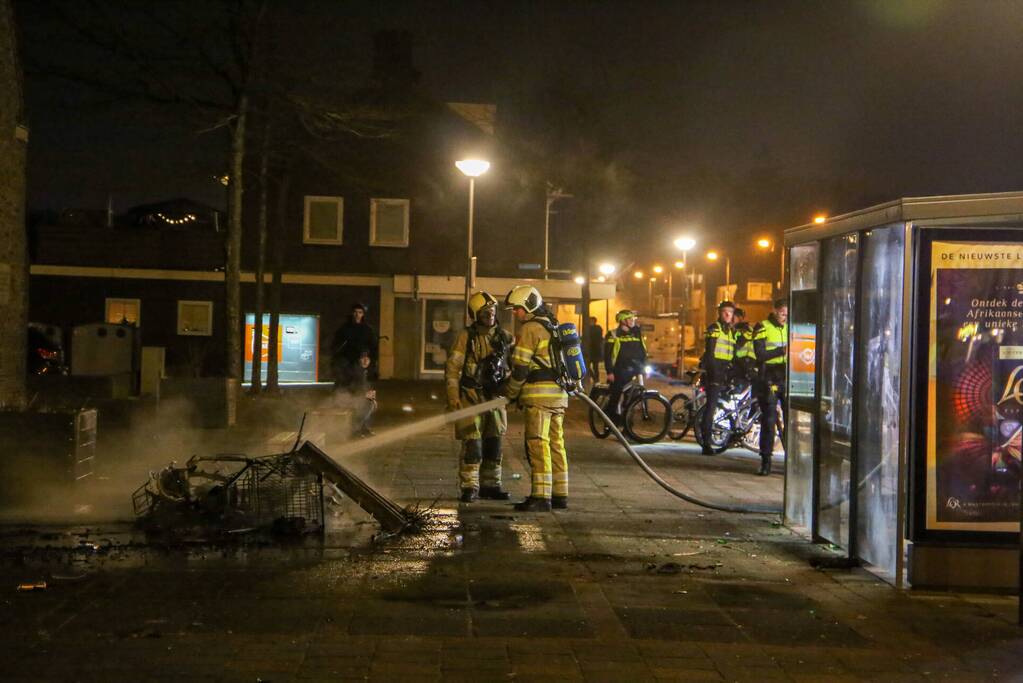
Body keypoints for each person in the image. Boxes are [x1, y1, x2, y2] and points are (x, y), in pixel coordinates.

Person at [503, 285, 568, 512]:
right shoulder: (553, 325)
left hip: (539, 397)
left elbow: (520, 368)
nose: (515, 313)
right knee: (556, 444)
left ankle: (540, 497)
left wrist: (510, 394)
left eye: (517, 308)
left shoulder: (531, 328)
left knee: (538, 444)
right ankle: (560, 493)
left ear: (528, 306)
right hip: (559, 396)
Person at [445, 291, 514, 503]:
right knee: (472, 443)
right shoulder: (466, 337)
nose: (490, 315)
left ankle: (491, 485)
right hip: (470, 396)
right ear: (476, 315)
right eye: (485, 312)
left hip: (494, 398)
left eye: (492, 311)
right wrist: (453, 397)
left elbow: (515, 368)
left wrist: (511, 392)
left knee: (494, 442)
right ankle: (470, 486)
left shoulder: (506, 337)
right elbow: (453, 368)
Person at [753, 298, 788, 476]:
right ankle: (765, 460)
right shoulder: (762, 327)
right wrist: (780, 351)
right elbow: (759, 354)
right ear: (774, 310)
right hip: (768, 377)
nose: (785, 317)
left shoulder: (791, 327)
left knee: (793, 421)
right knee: (769, 421)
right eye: (782, 313)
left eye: (787, 314)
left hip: (787, 377)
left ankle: (792, 460)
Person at [700, 300, 736, 455]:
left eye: (730, 312)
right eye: (725, 311)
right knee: (711, 407)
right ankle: (706, 443)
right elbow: (710, 353)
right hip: (715, 373)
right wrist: (713, 373)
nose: (728, 314)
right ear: (720, 313)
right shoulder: (715, 328)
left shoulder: (731, 331)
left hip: (725, 373)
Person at [603, 309, 647, 424]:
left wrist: (644, 366)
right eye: (630, 319)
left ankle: (627, 420)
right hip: (619, 370)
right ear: (623, 321)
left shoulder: (636, 333)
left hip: (634, 369)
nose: (633, 321)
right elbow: (607, 355)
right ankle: (610, 419)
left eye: (633, 319)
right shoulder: (613, 334)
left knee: (634, 395)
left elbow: (642, 351)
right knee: (616, 393)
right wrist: (610, 372)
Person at [331, 303, 379, 384]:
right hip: (347, 361)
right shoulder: (344, 328)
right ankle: (341, 397)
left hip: (363, 360)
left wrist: (370, 359)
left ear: (363, 314)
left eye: (360, 312)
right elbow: (336, 344)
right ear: (352, 313)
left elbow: (373, 346)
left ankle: (368, 397)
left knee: (368, 386)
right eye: (355, 312)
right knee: (343, 384)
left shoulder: (368, 329)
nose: (357, 315)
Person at [335, 351, 377, 438]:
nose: (365, 361)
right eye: (363, 358)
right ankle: (355, 430)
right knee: (367, 405)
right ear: (359, 360)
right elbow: (349, 387)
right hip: (345, 397)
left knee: (370, 404)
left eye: (367, 358)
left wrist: (371, 394)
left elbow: (364, 386)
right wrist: (364, 395)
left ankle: (363, 428)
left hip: (354, 396)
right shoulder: (354, 371)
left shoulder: (363, 371)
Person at [732, 307, 755, 384]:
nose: (731, 319)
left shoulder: (745, 330)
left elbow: (739, 344)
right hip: (736, 364)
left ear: (740, 318)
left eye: (733, 317)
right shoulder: (731, 329)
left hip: (744, 365)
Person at [584, 316, 604, 385]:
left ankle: (596, 379)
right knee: (587, 366)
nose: (590, 322)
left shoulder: (596, 328)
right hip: (590, 350)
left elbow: (598, 339)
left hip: (595, 350)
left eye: (591, 321)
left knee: (595, 367)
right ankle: (594, 378)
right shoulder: (588, 328)